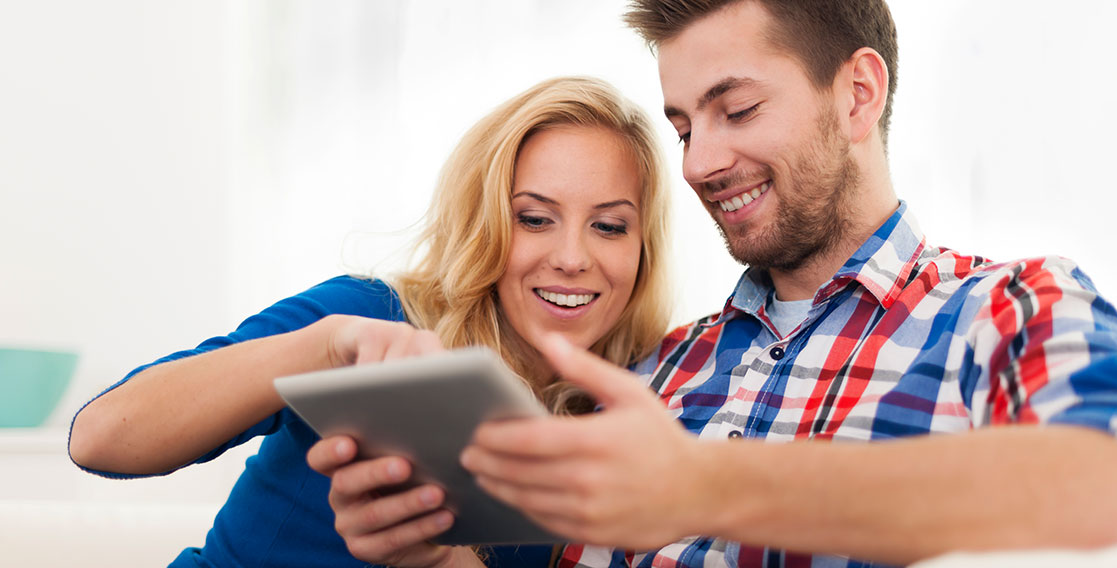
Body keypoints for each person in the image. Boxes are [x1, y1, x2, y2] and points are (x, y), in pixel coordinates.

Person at [315, 1, 1117, 566]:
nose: (698, 163)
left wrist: (705, 485)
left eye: (737, 110)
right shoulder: (658, 368)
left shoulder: (1004, 308)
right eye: (683, 125)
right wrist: (432, 555)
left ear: (858, 95)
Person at [67, 75, 673, 568]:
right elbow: (101, 439)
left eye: (610, 225)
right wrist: (323, 350)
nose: (572, 258)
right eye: (534, 219)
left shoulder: (640, 406)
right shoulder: (368, 317)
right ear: (483, 225)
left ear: (642, 248)